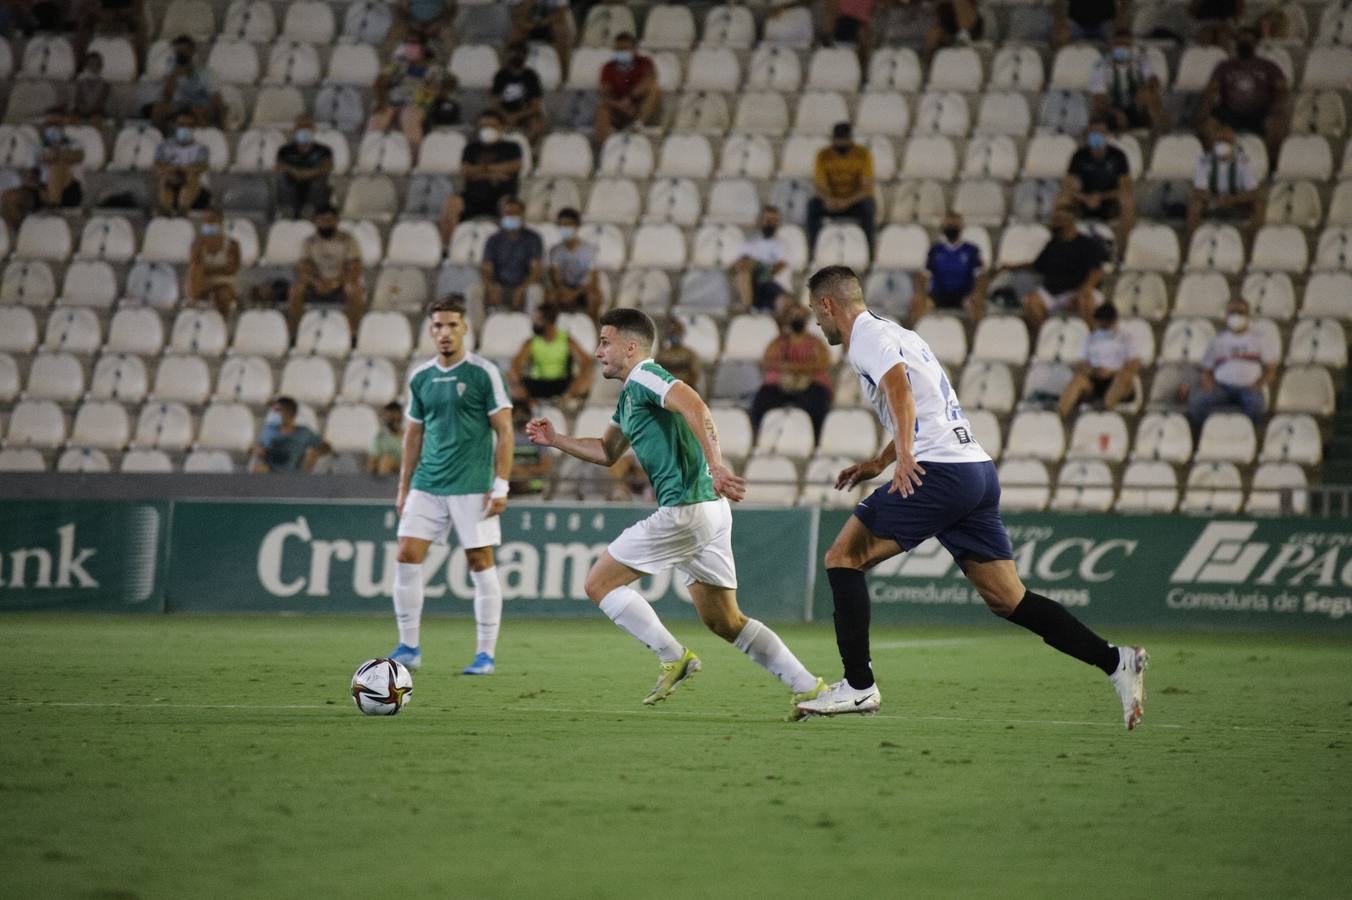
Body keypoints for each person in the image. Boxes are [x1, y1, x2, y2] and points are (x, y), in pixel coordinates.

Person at [795, 266, 1148, 728]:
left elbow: (900, 388)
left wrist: (903, 457)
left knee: (843, 557)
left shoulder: (863, 334)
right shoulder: (899, 333)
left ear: (827, 305)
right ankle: (1116, 661)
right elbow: (924, 406)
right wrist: (880, 463)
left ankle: (859, 687)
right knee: (1008, 599)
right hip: (974, 471)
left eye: (814, 313)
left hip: (937, 471)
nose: (817, 326)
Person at [525, 308, 828, 717]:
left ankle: (674, 656)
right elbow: (607, 451)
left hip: (686, 508)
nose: (597, 352)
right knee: (725, 621)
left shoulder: (648, 376)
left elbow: (696, 407)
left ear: (630, 348)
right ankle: (809, 687)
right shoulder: (631, 395)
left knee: (598, 584)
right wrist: (557, 439)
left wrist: (717, 465)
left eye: (604, 342)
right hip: (709, 512)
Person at [388, 295, 515, 676]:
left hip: (472, 485)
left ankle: (485, 654)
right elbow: (413, 435)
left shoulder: (483, 373)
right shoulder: (421, 377)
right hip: (427, 484)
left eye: (452, 325)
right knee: (407, 556)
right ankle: (409, 647)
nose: (445, 333)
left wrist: (501, 485)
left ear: (465, 329)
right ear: (431, 331)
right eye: (438, 326)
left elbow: (505, 432)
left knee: (479, 562)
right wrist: (403, 487)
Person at [1200, 27, 1288, 166]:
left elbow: (1282, 89)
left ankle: (1270, 165)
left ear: (1255, 43)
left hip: (1260, 112)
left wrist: (1276, 108)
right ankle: (1216, 166)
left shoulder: (1268, 66)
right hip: (1230, 112)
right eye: (1241, 40)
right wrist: (1206, 108)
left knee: (1276, 124)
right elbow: (1212, 89)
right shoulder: (1224, 66)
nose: (1245, 43)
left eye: (1248, 40)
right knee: (1208, 126)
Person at [749, 306, 834, 442]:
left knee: (818, 401)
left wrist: (792, 368)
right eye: (793, 316)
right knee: (762, 399)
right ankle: (758, 437)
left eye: (799, 316)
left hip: (810, 385)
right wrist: (797, 368)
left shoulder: (815, 343)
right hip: (780, 385)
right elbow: (767, 362)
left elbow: (823, 364)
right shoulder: (778, 342)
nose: (796, 319)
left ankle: (816, 439)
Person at [1188, 298, 1276, 428]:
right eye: (1232, 312)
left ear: (1247, 315)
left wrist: (1259, 384)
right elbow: (1206, 369)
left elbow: (1270, 369)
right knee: (1198, 400)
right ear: (1226, 315)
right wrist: (1208, 383)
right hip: (1221, 388)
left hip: (1250, 388)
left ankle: (1250, 437)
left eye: (1240, 312)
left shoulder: (1259, 339)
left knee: (1257, 404)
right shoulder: (1218, 340)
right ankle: (1203, 435)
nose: (1236, 315)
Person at [1017, 206, 1108, 331]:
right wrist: (1011, 267)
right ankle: (1045, 339)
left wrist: (1082, 291)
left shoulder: (1087, 244)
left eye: (1059, 219)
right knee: (1031, 301)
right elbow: (1037, 266)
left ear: (1070, 220)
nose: (1054, 222)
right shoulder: (1052, 244)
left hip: (1077, 290)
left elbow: (1096, 272)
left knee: (1086, 300)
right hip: (1052, 292)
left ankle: (1092, 339)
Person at [438, 110, 523, 243]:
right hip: (473, 197)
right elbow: (466, 171)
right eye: (484, 126)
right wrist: (496, 172)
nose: (487, 129)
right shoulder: (471, 148)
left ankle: (509, 245)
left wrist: (480, 171)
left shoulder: (512, 147)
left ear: (502, 127)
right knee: (451, 203)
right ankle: (447, 248)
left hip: (501, 196)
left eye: (492, 126)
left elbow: (514, 166)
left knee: (510, 206)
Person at [287, 206, 365, 336]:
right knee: (296, 290)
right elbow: (303, 269)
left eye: (329, 220)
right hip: (316, 285)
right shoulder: (309, 242)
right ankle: (295, 334)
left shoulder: (348, 240)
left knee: (354, 291)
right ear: (315, 221)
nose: (326, 223)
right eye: (322, 220)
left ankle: (353, 335)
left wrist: (335, 282)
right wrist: (316, 282)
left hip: (341, 284)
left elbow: (354, 269)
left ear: (336, 221)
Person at [1060, 119, 1136, 247]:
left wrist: (1101, 197)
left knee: (1127, 202)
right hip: (1084, 200)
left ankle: (1125, 249)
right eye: (1093, 133)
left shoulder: (1118, 156)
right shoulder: (1079, 155)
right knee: (1062, 200)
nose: (1097, 136)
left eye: (1101, 132)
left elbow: (1126, 187)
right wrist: (1086, 198)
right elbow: (1069, 186)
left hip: (1109, 200)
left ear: (1107, 135)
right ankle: (1063, 247)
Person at [1056, 302, 1139, 417]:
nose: (1103, 327)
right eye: (1101, 324)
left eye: (1107, 324)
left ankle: (1104, 411)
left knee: (1123, 378)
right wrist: (1094, 370)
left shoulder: (1126, 339)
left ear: (1114, 321)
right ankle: (1058, 416)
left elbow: (1134, 364)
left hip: (1116, 380)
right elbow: (1081, 364)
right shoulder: (1090, 339)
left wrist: (1111, 372)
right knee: (1077, 380)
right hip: (1095, 381)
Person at [807, 122, 876, 254]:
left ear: (850, 139)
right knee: (813, 205)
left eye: (844, 140)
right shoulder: (823, 155)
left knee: (868, 206)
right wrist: (828, 200)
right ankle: (812, 250)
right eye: (838, 140)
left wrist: (847, 201)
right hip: (831, 202)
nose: (841, 144)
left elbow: (867, 187)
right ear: (833, 139)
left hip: (854, 202)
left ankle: (870, 252)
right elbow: (819, 185)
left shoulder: (863, 154)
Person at [507, 303, 594, 405]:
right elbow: (517, 363)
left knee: (589, 376)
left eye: (537, 319)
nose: (533, 322)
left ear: (547, 320)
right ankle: (529, 404)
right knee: (510, 375)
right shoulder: (531, 342)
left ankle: (567, 405)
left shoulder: (566, 339)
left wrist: (575, 386)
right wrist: (520, 384)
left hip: (562, 385)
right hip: (537, 384)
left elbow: (586, 362)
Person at [1187, 125, 1263, 238]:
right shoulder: (1204, 161)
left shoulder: (1242, 161)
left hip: (1236, 201)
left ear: (1233, 144)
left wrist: (1233, 199)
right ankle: (1193, 241)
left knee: (1259, 205)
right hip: (1213, 201)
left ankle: (1251, 244)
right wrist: (1215, 200)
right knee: (1195, 205)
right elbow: (1199, 190)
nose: (1223, 145)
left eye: (1226, 141)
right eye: (1220, 141)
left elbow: (1253, 191)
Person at [910, 212, 985, 325]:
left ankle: (977, 337)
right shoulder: (935, 250)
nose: (951, 227)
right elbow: (923, 275)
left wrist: (977, 293)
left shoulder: (971, 250)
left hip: (964, 296)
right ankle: (915, 339)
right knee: (917, 303)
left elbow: (981, 275)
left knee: (977, 303)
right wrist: (921, 294)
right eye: (948, 224)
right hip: (938, 296)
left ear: (961, 227)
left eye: (954, 225)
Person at [1088, 29, 1165, 135]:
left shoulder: (1141, 61)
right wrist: (1116, 112)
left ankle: (1157, 135)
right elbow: (1098, 99)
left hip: (1136, 106)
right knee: (1098, 114)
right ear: (1111, 46)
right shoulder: (1101, 66)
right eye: (1118, 44)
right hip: (1113, 108)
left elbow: (1152, 80)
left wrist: (1150, 86)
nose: (1122, 48)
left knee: (1152, 97)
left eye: (1125, 45)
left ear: (1131, 46)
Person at [368, 39, 439, 154]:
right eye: (409, 44)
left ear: (424, 49)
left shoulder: (433, 69)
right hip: (391, 102)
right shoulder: (396, 64)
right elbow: (379, 82)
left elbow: (432, 91)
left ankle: (414, 159)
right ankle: (370, 154)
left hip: (415, 104)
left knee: (409, 118)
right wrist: (381, 101)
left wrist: (421, 103)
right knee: (378, 118)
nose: (411, 48)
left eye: (415, 45)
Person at [480, 197, 544, 312]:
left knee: (535, 291)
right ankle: (478, 329)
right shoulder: (493, 240)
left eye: (516, 213)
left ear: (522, 215)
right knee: (474, 291)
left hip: (524, 286)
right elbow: (486, 270)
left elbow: (536, 271)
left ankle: (534, 327)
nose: (512, 216)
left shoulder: (533, 238)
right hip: (499, 286)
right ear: (502, 215)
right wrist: (492, 285)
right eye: (508, 213)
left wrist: (522, 288)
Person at [595, 32, 660, 145]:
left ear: (634, 49)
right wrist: (619, 105)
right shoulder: (608, 67)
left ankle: (637, 125)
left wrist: (629, 99)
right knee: (602, 112)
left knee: (654, 89)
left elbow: (649, 81)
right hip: (617, 109)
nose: (621, 52)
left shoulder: (644, 62)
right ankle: (606, 149)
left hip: (638, 108)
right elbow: (604, 95)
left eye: (625, 49)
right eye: (618, 49)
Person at [151, 35, 222, 128]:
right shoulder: (172, 71)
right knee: (158, 111)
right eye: (178, 51)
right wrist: (173, 76)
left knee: (198, 112)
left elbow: (217, 99)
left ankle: (203, 134)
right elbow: (166, 98)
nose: (181, 54)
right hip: (180, 106)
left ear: (192, 51)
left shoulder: (205, 73)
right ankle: (161, 136)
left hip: (200, 106)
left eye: (184, 50)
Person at [733, 206, 793, 314]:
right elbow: (738, 266)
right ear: (760, 221)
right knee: (743, 272)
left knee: (784, 303)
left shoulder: (782, 245)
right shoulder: (747, 245)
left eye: (775, 221)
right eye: (768, 220)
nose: (771, 224)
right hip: (753, 286)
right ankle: (748, 310)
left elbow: (777, 268)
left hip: (773, 286)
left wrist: (756, 265)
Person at [546, 207, 602, 320]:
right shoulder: (555, 250)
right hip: (563, 289)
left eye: (568, 224)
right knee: (550, 296)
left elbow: (593, 279)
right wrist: (563, 290)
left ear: (576, 226)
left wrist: (575, 293)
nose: (565, 227)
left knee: (594, 297)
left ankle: (592, 330)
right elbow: (555, 278)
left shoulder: (589, 250)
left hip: (582, 290)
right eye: (562, 224)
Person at [274, 115, 333, 220]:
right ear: (295, 129)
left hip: (314, 186)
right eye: (300, 126)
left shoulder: (324, 150)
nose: (304, 129)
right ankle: (288, 210)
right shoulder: (284, 150)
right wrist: (295, 172)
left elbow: (327, 167)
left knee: (321, 180)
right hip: (292, 184)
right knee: (282, 179)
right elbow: (279, 167)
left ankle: (311, 211)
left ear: (313, 129)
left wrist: (308, 173)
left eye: (307, 126)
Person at [186, 209, 241, 318]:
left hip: (225, 283)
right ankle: (194, 305)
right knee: (195, 270)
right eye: (206, 220)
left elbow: (232, 269)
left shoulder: (232, 244)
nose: (209, 223)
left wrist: (206, 270)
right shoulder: (197, 244)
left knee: (222, 294)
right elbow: (194, 265)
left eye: (212, 220)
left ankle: (222, 324)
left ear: (220, 222)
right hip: (203, 283)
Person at [490, 43, 546, 144]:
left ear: (525, 56)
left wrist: (516, 116)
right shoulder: (500, 75)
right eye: (514, 53)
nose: (516, 56)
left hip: (525, 113)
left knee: (538, 125)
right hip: (504, 112)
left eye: (520, 53)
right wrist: (506, 115)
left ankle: (527, 148)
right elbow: (495, 103)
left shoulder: (531, 75)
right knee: (488, 123)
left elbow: (536, 105)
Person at [249, 396, 322, 473]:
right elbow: (255, 447)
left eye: (278, 411)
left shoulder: (304, 432)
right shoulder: (269, 430)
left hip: (293, 473)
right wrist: (256, 450)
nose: (274, 414)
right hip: (270, 470)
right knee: (257, 469)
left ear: (290, 413)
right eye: (274, 411)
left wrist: (313, 455)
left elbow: (325, 446)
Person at [154, 114, 209, 214]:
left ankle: (183, 211)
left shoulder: (201, 148)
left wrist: (185, 169)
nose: (185, 128)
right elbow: (158, 165)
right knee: (166, 178)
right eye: (182, 124)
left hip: (194, 189)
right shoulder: (164, 146)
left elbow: (202, 167)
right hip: (172, 181)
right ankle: (165, 212)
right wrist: (172, 170)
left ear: (194, 127)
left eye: (189, 125)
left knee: (191, 176)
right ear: (176, 125)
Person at [508, 0, 572, 79]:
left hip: (548, 24)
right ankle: (511, 75)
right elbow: (516, 14)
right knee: (516, 33)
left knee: (561, 31)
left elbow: (561, 13)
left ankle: (564, 77)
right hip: (526, 24)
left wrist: (540, 23)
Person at [509, 401, 552, 496]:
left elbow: (546, 467)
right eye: (517, 414)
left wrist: (523, 472)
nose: (520, 417)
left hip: (534, 491)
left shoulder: (539, 437)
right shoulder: (507, 437)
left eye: (523, 413)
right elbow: (501, 465)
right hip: (511, 491)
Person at [654, 316, 704, 397]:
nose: (675, 337)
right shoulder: (662, 355)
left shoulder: (689, 354)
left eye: (677, 334)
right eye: (672, 334)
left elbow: (695, 374)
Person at [1053, 0, 1123, 46]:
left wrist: (1117, 21)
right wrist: (1061, 21)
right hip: (1077, 23)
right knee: (1063, 39)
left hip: (1104, 22)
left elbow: (1120, 4)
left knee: (1115, 43)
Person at [70, 52, 109, 122]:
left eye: (97, 64)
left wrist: (92, 110)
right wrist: (82, 109)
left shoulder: (105, 84)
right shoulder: (78, 82)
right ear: (86, 65)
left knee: (97, 119)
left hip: (96, 112)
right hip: (79, 111)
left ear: (101, 66)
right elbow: (76, 100)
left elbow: (101, 102)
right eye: (91, 63)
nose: (94, 66)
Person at [368, 402, 405, 476]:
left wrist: (397, 465)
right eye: (390, 418)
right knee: (386, 460)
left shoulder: (412, 437)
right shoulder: (380, 438)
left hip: (408, 473)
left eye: (396, 416)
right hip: (386, 472)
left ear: (401, 416)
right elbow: (372, 464)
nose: (394, 420)